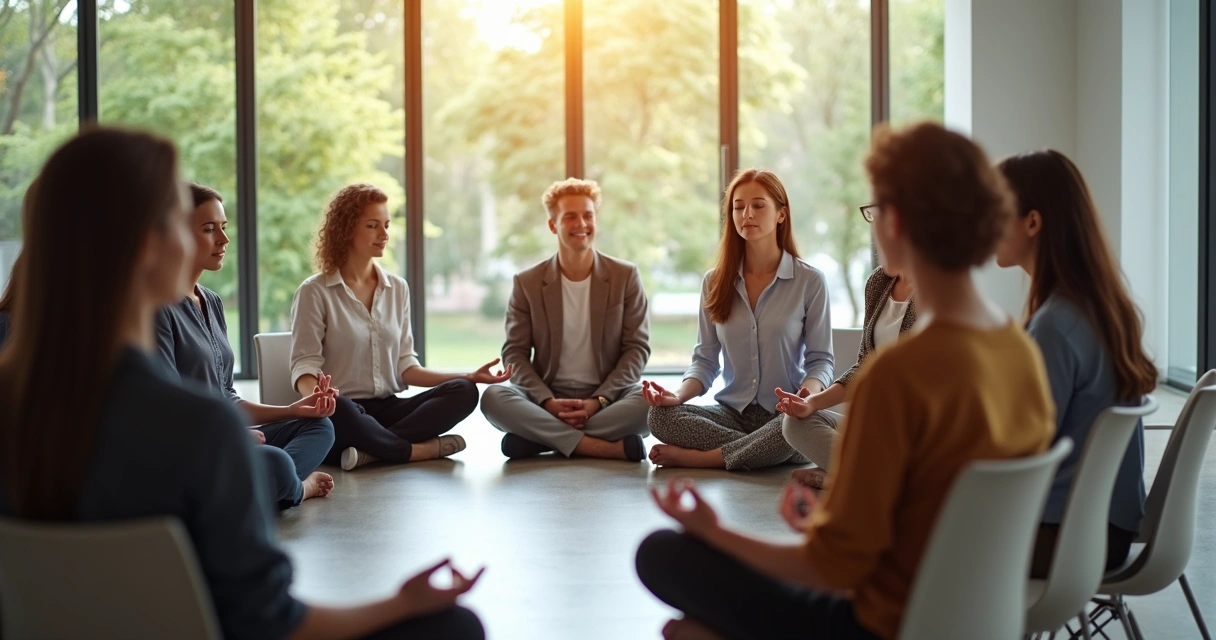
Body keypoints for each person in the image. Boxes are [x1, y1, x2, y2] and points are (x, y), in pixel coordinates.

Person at [0, 127, 486, 640]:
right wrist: (400, 604)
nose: (214, 241)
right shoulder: (198, 428)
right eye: (183, 223)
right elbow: (273, 624)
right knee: (454, 626)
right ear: (147, 245)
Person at [634, 122, 1055, 640]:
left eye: (875, 210)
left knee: (662, 555)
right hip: (979, 617)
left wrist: (714, 531)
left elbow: (828, 568)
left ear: (897, 220)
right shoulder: (1019, 349)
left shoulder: (897, 375)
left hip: (880, 621)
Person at [995, 149, 1158, 578]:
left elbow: (1022, 449)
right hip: (1103, 527)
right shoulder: (1096, 308)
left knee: (912, 538)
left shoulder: (1055, 325)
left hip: (1065, 536)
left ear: (1032, 222)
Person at [291, 183, 513, 471]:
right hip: (345, 411)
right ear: (346, 229)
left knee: (464, 390)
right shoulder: (314, 291)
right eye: (373, 225)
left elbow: (407, 368)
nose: (384, 234)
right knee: (341, 409)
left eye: (386, 225)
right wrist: (321, 399)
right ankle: (413, 451)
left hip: (390, 409)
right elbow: (304, 367)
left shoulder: (397, 288)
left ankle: (374, 450)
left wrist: (468, 375)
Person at [156, 183, 336, 511]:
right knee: (277, 463)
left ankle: (261, 489)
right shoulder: (158, 308)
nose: (224, 239)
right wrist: (227, 435)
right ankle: (294, 488)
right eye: (209, 229)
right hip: (195, 450)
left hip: (229, 441)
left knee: (320, 426)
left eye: (223, 227)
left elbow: (228, 396)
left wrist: (295, 409)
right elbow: (167, 410)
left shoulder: (212, 302)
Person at [641, 168, 833, 471]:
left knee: (795, 429)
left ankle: (705, 459)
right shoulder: (714, 281)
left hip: (785, 416)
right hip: (731, 414)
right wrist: (675, 395)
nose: (747, 214)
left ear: (781, 214)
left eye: (758, 205)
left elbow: (821, 361)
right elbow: (705, 360)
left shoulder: (809, 281)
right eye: (738, 206)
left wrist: (805, 399)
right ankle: (757, 454)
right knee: (659, 417)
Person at [480, 178, 651, 461]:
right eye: (570, 216)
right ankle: (597, 446)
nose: (581, 224)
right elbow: (514, 353)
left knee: (651, 403)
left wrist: (598, 401)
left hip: (607, 397)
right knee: (492, 398)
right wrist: (547, 402)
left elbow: (637, 349)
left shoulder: (626, 276)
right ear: (553, 225)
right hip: (547, 397)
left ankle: (538, 440)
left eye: (588, 215)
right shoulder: (527, 282)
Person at [779, 237, 916, 488]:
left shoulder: (938, 294)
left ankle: (849, 479)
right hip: (874, 429)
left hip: (912, 435)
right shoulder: (878, 282)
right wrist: (811, 403)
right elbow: (864, 366)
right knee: (795, 423)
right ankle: (862, 477)